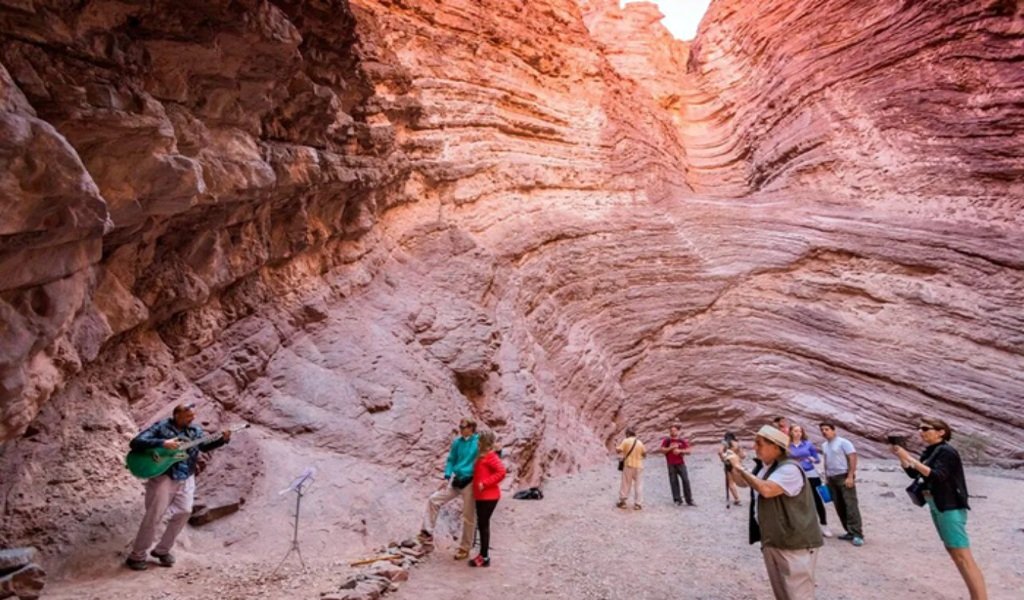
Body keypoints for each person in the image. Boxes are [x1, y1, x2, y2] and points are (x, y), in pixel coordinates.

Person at [126, 403, 232, 571]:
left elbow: (203, 446)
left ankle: (162, 550)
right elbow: (136, 442)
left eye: (193, 415)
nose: (192, 418)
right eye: (188, 416)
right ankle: (137, 555)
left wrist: (222, 440)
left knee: (185, 511)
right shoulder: (161, 426)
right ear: (177, 415)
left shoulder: (195, 430)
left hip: (186, 475)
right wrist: (163, 443)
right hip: (164, 475)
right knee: (154, 515)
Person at [891, 418, 987, 599]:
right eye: (919, 429)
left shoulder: (946, 451)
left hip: (949, 506)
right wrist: (902, 457)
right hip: (938, 505)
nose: (921, 432)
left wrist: (909, 458)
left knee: (963, 557)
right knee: (956, 554)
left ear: (941, 432)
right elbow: (914, 473)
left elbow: (937, 476)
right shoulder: (931, 451)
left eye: (926, 429)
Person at [724, 425, 823, 600]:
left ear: (776, 447)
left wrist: (739, 467)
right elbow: (743, 483)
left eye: (759, 444)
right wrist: (732, 467)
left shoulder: (790, 469)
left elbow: (766, 489)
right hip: (775, 538)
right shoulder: (766, 467)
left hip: (794, 543)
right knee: (783, 592)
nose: (755, 447)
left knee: (798, 594)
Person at [419, 418, 479, 560]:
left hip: (470, 482)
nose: (460, 429)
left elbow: (488, 455)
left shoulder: (478, 442)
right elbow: (451, 459)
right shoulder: (457, 442)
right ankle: (427, 533)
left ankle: (465, 548)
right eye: (460, 426)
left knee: (468, 516)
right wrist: (447, 475)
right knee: (434, 499)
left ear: (471, 428)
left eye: (463, 427)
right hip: (456, 479)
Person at [819, 422, 863, 546]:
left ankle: (857, 534)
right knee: (839, 505)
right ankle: (849, 531)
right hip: (831, 478)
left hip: (843, 476)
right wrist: (826, 477)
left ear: (834, 430)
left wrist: (850, 476)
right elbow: (826, 461)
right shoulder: (824, 445)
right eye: (822, 430)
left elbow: (852, 457)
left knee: (850, 505)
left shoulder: (844, 442)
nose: (824, 432)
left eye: (827, 429)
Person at [469, 430, 506, 567]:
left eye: (479, 440)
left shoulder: (491, 456)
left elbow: (501, 472)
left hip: (489, 496)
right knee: (482, 524)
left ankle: (484, 557)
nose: (477, 442)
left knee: (483, 525)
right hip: (482, 496)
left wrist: (485, 483)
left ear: (484, 441)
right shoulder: (482, 455)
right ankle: (482, 555)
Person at [788, 425, 831, 537]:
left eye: (800, 431)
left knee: (817, 499)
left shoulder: (808, 444)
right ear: (791, 432)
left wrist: (813, 459)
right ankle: (801, 526)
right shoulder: (787, 445)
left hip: (811, 473)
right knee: (797, 500)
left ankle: (824, 525)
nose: (798, 433)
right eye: (795, 431)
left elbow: (817, 459)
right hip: (795, 474)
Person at [659, 424, 695, 506]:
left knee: (686, 480)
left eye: (674, 430)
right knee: (673, 482)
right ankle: (677, 499)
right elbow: (662, 450)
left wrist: (680, 451)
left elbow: (689, 451)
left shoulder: (681, 441)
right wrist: (670, 448)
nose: (673, 432)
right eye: (671, 431)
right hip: (671, 464)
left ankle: (689, 499)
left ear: (678, 431)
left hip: (681, 463)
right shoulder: (667, 441)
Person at [616, 427, 646, 509]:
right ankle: (638, 503)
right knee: (638, 485)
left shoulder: (626, 441)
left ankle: (623, 502)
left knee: (626, 483)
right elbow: (644, 454)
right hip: (639, 466)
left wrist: (616, 446)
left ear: (627, 434)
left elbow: (619, 450)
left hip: (628, 465)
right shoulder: (640, 442)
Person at [718, 431, 745, 507]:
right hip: (737, 463)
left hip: (729, 463)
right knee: (738, 479)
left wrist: (723, 459)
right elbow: (743, 456)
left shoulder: (725, 443)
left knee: (731, 482)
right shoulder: (737, 443)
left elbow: (720, 452)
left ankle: (737, 499)